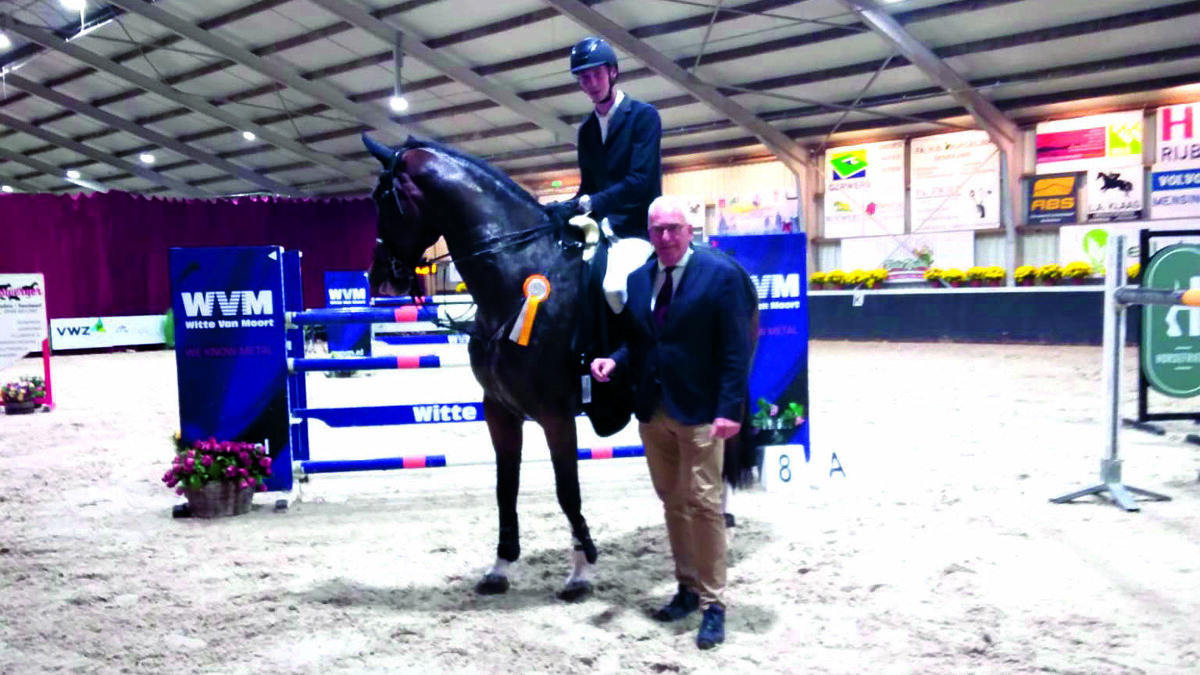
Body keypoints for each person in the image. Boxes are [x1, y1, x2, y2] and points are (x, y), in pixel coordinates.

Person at [590, 195, 755, 650]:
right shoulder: (640, 280)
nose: (664, 237)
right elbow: (639, 341)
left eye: (672, 228)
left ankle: (713, 604)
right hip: (654, 410)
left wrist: (729, 409)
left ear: (689, 229)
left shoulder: (720, 276)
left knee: (705, 505)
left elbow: (735, 350)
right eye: (656, 229)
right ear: (648, 233)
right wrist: (615, 360)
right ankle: (685, 587)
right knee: (672, 503)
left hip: (702, 411)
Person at [546, 37, 663, 240]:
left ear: (613, 72)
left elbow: (640, 180)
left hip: (637, 228)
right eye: (584, 77)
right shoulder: (586, 131)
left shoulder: (644, 116)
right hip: (599, 227)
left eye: (597, 74)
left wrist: (591, 203)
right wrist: (563, 207)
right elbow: (589, 187)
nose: (592, 83)